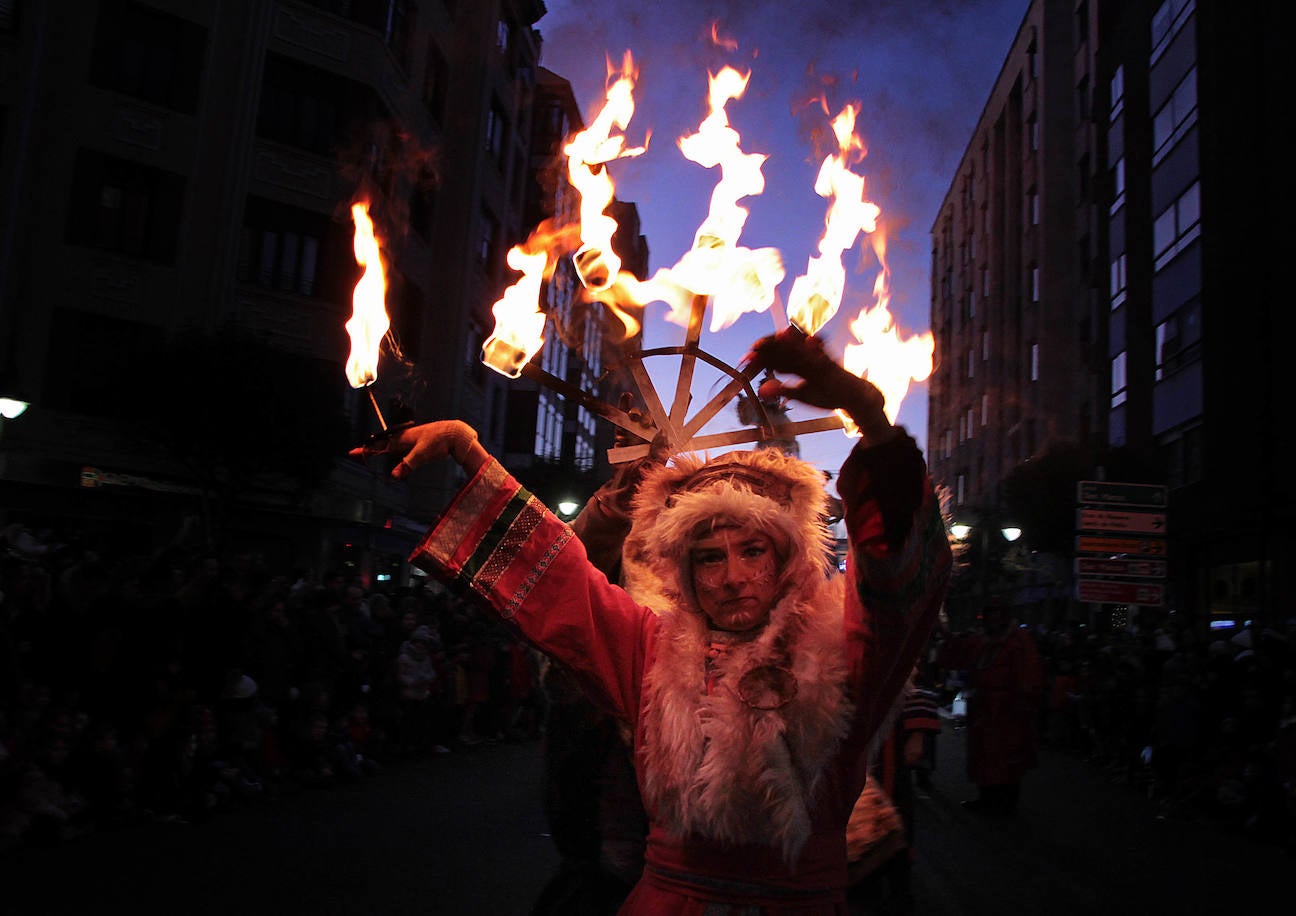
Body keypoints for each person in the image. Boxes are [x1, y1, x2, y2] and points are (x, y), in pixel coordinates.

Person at [357, 330, 952, 913]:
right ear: (684, 574)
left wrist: (867, 412)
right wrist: (468, 450)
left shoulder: (843, 654)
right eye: (708, 558)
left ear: (789, 559)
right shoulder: (651, 649)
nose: (732, 577)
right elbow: (559, 575)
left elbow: (896, 576)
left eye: (752, 552)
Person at [937, 599, 1044, 816]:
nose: (994, 620)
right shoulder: (980, 640)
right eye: (990, 615)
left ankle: (1007, 803)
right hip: (985, 709)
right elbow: (956, 655)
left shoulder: (1018, 641)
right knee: (983, 754)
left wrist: (1023, 704)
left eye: (998, 614)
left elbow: (1029, 675)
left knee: (1009, 757)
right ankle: (985, 798)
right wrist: (944, 633)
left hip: (1009, 711)